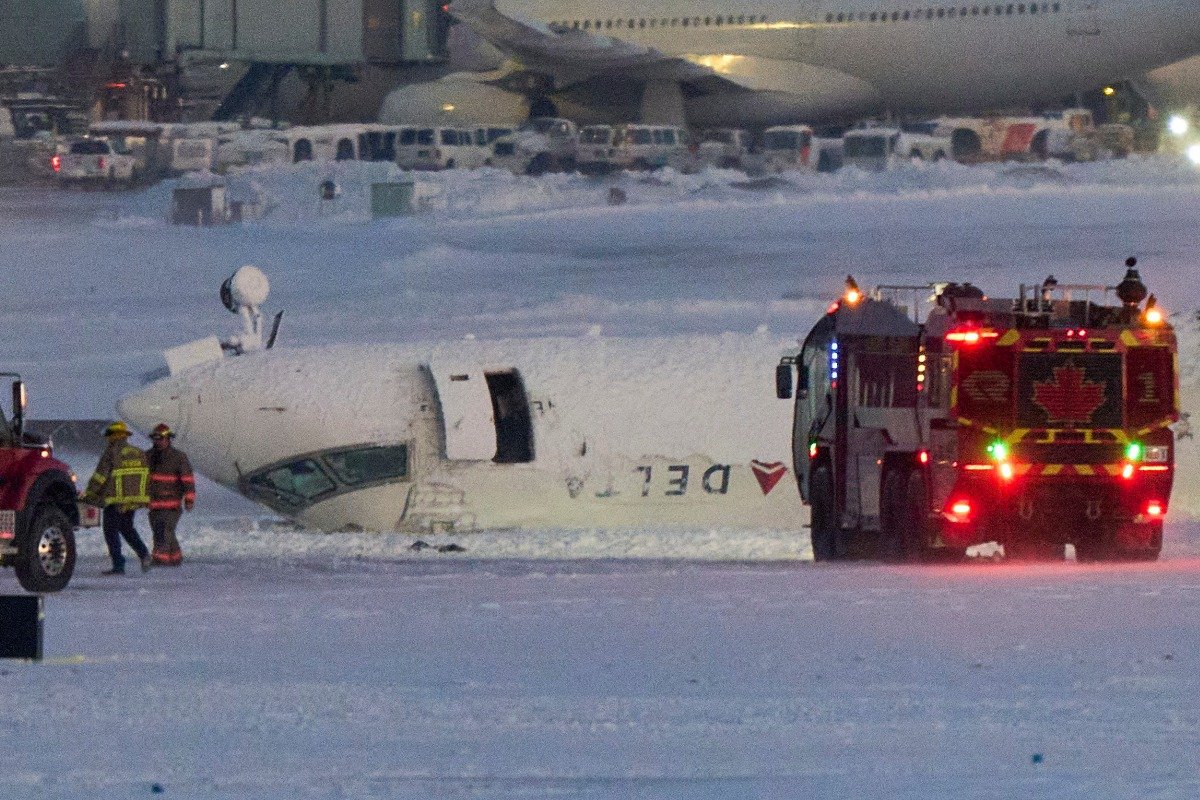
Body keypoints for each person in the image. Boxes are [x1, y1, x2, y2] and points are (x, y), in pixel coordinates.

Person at [81, 421, 152, 575]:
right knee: (127, 528)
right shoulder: (138, 452)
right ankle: (144, 554)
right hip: (133, 500)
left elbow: (100, 477)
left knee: (111, 531)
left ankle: (118, 564)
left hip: (114, 500)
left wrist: (89, 494)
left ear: (113, 436)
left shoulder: (111, 452)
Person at [145, 423, 195, 566]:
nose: (158, 442)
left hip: (171, 503)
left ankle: (160, 559)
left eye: (161, 439)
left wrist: (189, 500)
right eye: (155, 439)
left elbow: (188, 480)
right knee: (163, 531)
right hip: (154, 504)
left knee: (163, 530)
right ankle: (175, 557)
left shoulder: (178, 457)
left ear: (168, 439)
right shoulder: (147, 456)